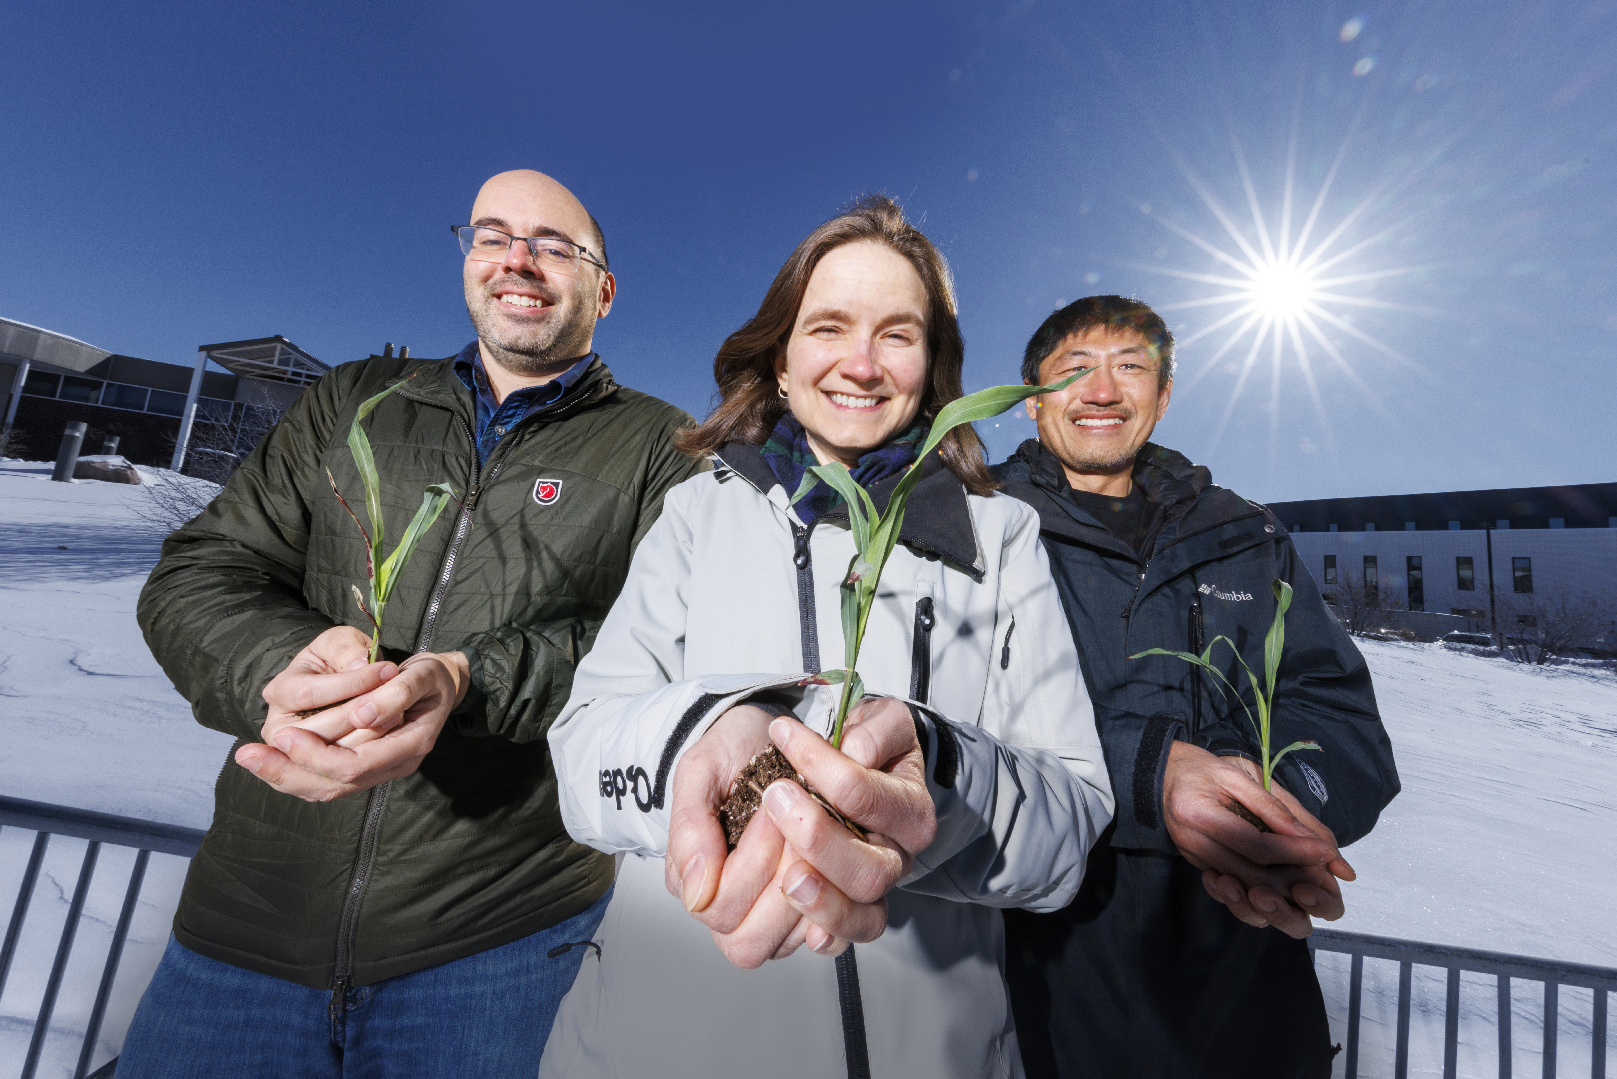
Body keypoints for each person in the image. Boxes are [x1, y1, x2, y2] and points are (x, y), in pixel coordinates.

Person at [124, 170, 706, 1077]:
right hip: (246, 925)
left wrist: (466, 679)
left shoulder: (663, 449)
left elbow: (668, 653)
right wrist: (279, 664)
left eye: (556, 244)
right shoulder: (356, 399)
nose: (519, 258)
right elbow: (205, 569)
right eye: (491, 234)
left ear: (605, 288)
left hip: (499, 941)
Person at [537, 196, 1115, 1079]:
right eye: (828, 326)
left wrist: (938, 777)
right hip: (662, 1048)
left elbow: (1069, 835)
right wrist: (704, 741)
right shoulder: (696, 514)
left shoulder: (1000, 539)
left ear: (932, 367)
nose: (860, 362)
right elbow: (583, 758)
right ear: (778, 357)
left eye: (897, 333)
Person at [992, 295, 1400, 1079]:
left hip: (1247, 1011)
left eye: (1131, 367)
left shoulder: (1244, 534)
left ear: (1164, 393)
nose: (1102, 391)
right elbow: (954, 724)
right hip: (1036, 1002)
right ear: (1029, 394)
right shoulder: (980, 526)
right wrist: (1154, 773)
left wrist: (1274, 811)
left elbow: (1339, 717)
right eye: (1073, 370)